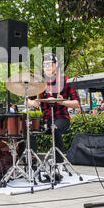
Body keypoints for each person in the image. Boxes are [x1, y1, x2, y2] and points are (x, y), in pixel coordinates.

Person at [26, 53, 80, 181]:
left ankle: (57, 165)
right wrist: (32, 102)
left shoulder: (65, 81)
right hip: (45, 118)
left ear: (56, 65)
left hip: (62, 118)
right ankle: (32, 166)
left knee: (54, 127)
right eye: (45, 64)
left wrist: (62, 102)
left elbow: (77, 104)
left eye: (50, 64)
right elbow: (26, 101)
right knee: (28, 130)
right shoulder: (39, 83)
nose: (47, 66)